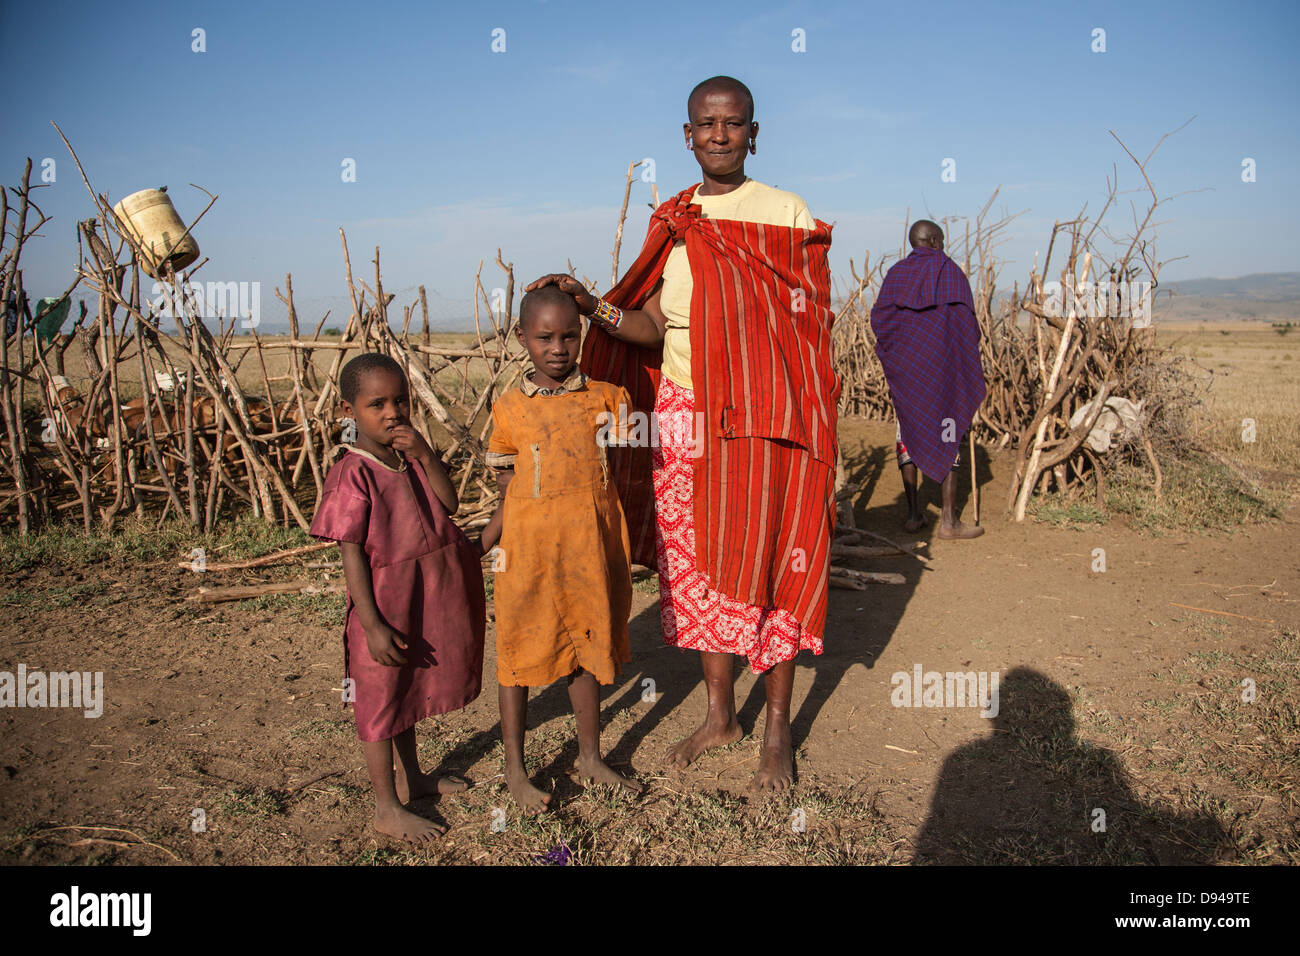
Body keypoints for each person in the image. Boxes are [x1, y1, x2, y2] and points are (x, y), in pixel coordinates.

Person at [527, 75, 840, 791]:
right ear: (688, 134)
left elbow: (805, 330)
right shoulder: (676, 221)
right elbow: (654, 327)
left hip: (763, 417)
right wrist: (594, 306)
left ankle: (776, 729)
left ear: (752, 133)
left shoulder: (783, 214)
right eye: (707, 123)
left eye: (734, 123)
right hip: (683, 413)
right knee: (695, 568)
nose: (720, 134)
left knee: (771, 561)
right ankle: (721, 714)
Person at [479, 285, 644, 811]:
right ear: (522, 338)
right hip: (526, 553)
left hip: (587, 549)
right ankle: (515, 768)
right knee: (519, 653)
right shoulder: (508, 409)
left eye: (569, 335)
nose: (558, 347)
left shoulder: (606, 399)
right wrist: (481, 545)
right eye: (544, 337)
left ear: (583, 336)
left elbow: (624, 468)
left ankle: (591, 757)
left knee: (586, 645)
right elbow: (508, 491)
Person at [310, 353, 485, 842]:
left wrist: (429, 456)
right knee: (380, 702)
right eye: (376, 404)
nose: (392, 413)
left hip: (417, 599)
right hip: (383, 605)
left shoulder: (409, 459)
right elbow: (352, 556)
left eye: (400, 401)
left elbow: (448, 505)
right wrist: (371, 623)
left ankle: (416, 779)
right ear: (349, 411)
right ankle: (386, 808)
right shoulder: (353, 472)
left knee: (406, 692)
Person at [871, 219, 986, 539]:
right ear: (934, 241)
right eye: (942, 239)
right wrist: (957, 356)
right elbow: (968, 325)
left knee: (907, 432)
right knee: (950, 434)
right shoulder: (950, 272)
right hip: (946, 373)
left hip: (909, 376)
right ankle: (949, 522)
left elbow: (880, 321)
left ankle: (912, 515)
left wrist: (899, 357)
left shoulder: (896, 275)